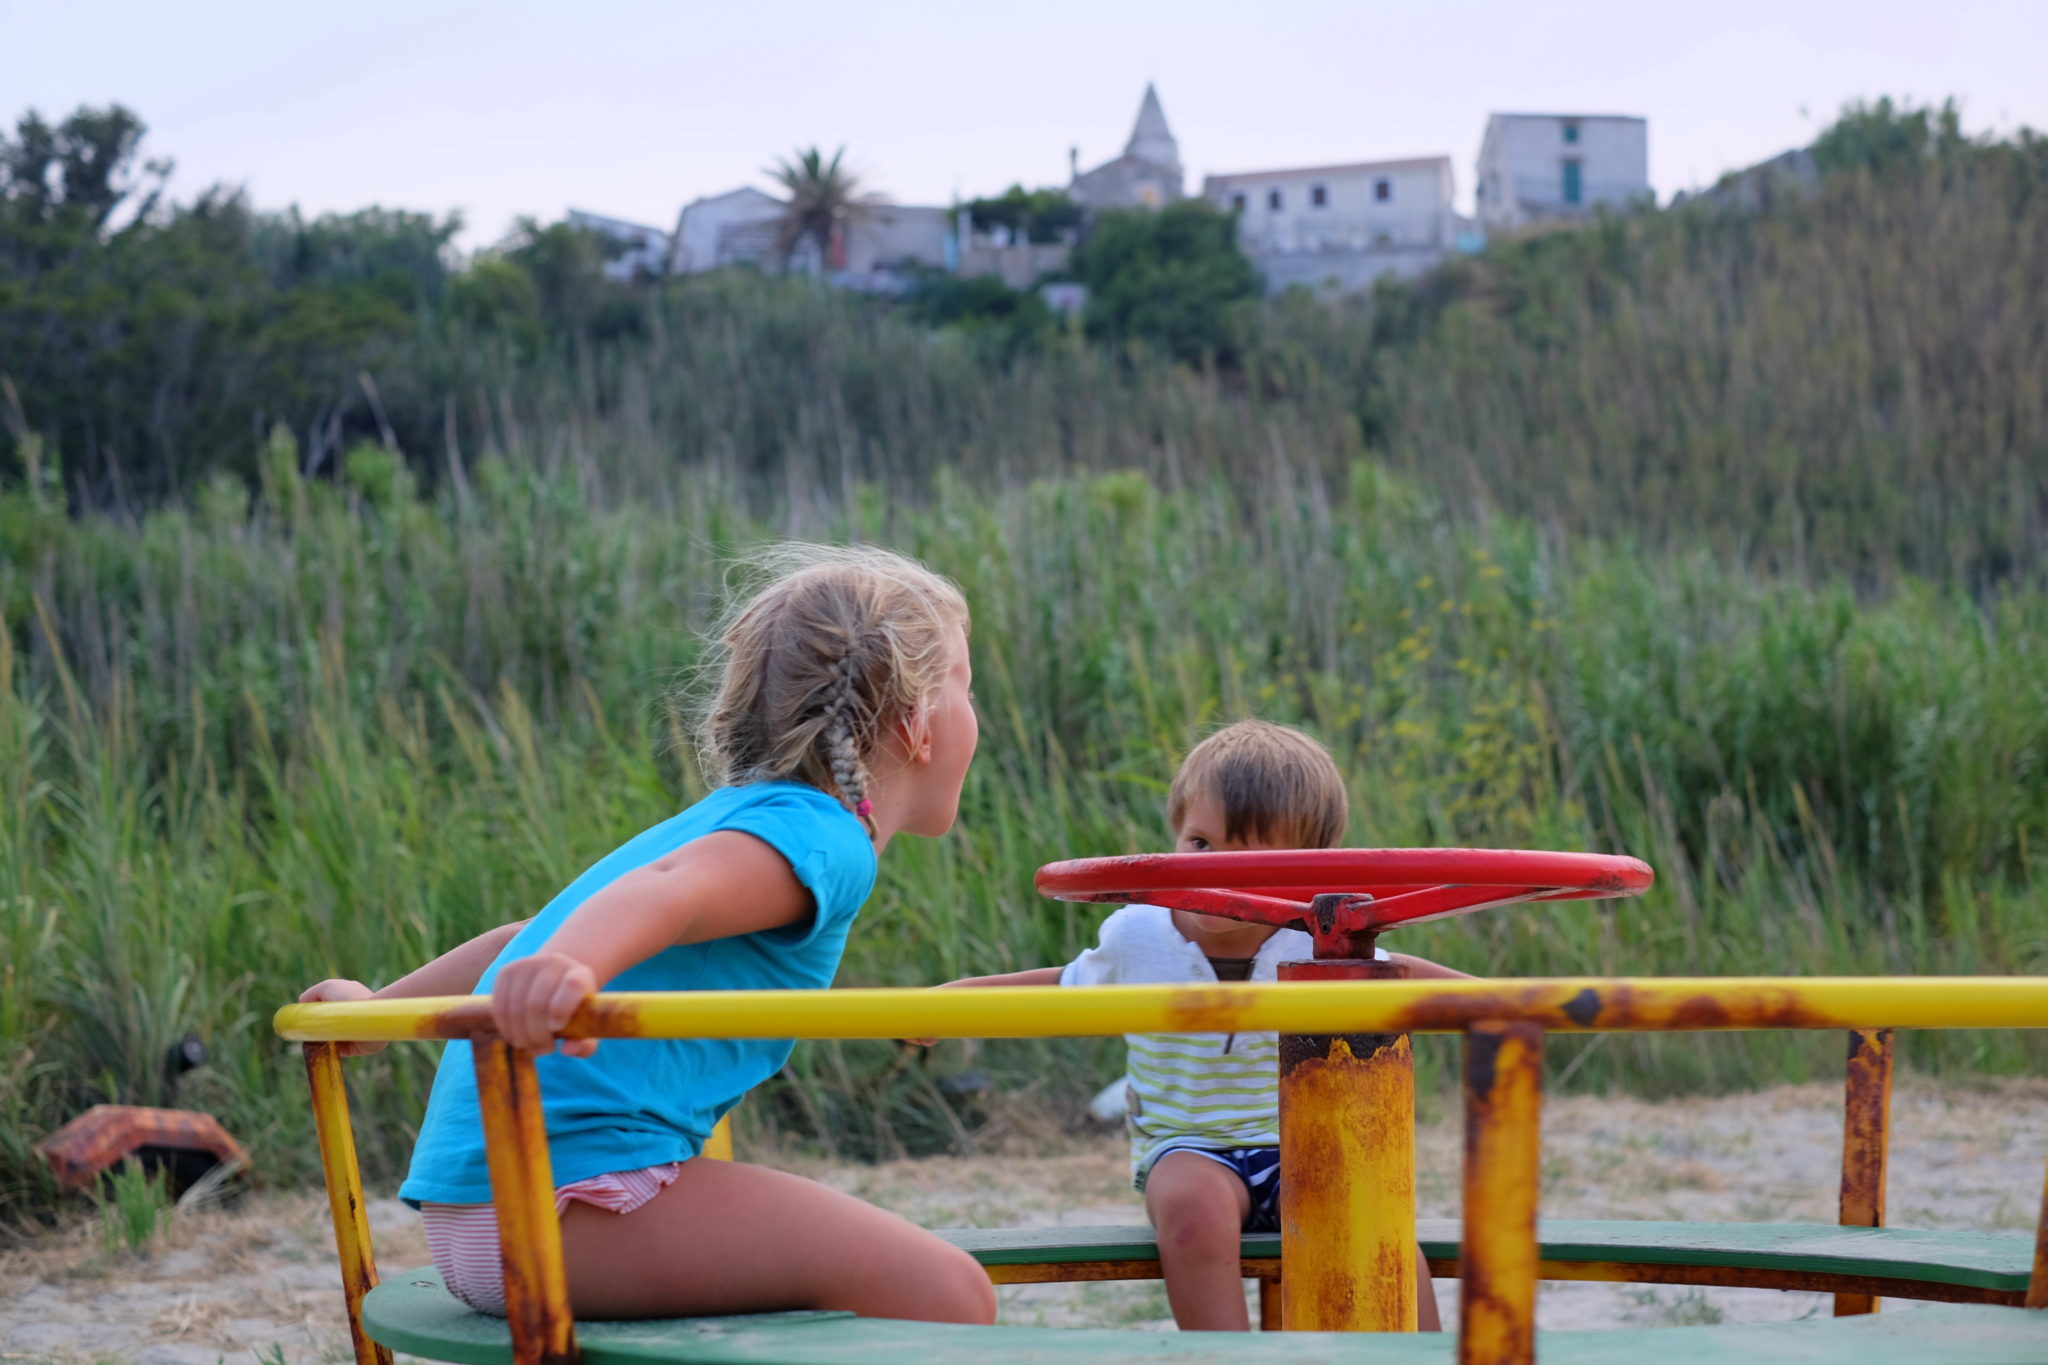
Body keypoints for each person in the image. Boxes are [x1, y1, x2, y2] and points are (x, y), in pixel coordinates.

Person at [298, 544, 996, 1326]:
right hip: (566, 1204)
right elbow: (665, 895)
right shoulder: (824, 834)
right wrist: (569, 964)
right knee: (948, 1291)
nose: (981, 713)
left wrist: (377, 1011)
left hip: (483, 1210)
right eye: (968, 687)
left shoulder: (733, 819)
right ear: (916, 726)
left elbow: (527, 935)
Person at [929, 719, 1467, 1332]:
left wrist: (1517, 1004)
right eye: (1201, 844)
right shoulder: (1140, 933)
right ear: (1175, 837)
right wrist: (951, 1002)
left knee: (1376, 1222)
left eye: (1252, 857)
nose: (1214, 871)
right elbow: (1061, 986)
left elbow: (1398, 975)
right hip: (1188, 1145)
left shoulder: (1318, 939)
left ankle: (1414, 1352)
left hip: (1299, 1144)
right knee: (1192, 1212)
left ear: (1311, 868)